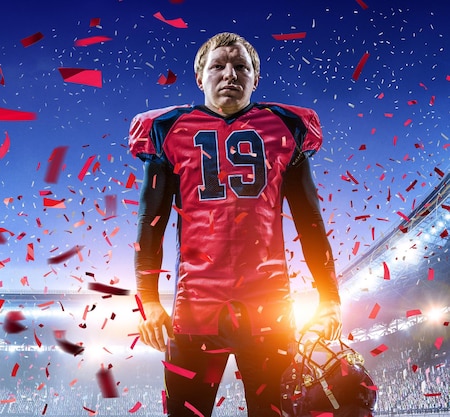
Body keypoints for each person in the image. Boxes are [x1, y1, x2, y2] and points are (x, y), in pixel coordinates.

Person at [129, 32, 342, 417]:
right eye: (218, 65)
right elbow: (151, 224)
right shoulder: (167, 130)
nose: (230, 74)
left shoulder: (285, 127)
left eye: (241, 66)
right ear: (200, 77)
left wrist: (330, 298)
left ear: (255, 78)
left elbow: (310, 222)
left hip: (270, 306)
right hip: (194, 309)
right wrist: (149, 301)